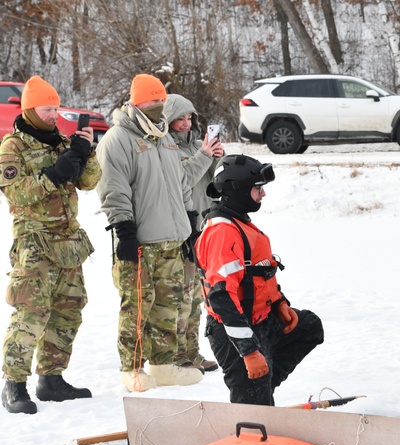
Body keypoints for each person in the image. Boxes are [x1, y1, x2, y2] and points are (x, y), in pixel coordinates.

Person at [0, 76, 100, 414]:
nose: (55, 114)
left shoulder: (61, 141)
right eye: (48, 109)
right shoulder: (13, 146)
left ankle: (52, 379)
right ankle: (13, 385)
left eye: (57, 108)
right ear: (30, 109)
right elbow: (18, 193)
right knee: (31, 313)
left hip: (69, 243)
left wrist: (86, 152)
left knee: (68, 312)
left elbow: (88, 181)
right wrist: (54, 173)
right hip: (35, 244)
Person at [96, 73, 203, 392]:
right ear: (136, 101)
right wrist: (123, 229)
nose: (159, 104)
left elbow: (181, 184)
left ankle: (163, 363)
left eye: (161, 100)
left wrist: (191, 224)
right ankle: (132, 369)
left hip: (173, 238)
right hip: (140, 241)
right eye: (153, 100)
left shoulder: (165, 137)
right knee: (138, 305)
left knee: (168, 305)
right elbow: (112, 188)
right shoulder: (118, 139)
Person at [195, 154, 324, 405]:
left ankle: (262, 387)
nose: (262, 195)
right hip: (234, 332)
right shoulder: (223, 232)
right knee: (254, 412)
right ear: (239, 190)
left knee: (309, 327)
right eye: (258, 189)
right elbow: (221, 298)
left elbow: (258, 276)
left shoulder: (239, 222)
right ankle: (254, 399)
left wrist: (279, 304)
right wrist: (250, 352)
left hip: (261, 321)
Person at [164, 93, 224, 374]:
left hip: (202, 224)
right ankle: (177, 355)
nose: (186, 123)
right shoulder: (165, 146)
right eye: (180, 118)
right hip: (181, 227)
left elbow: (206, 183)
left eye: (189, 118)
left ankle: (192, 352)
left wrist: (214, 160)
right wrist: (203, 156)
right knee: (181, 295)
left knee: (198, 295)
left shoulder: (195, 145)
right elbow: (182, 180)